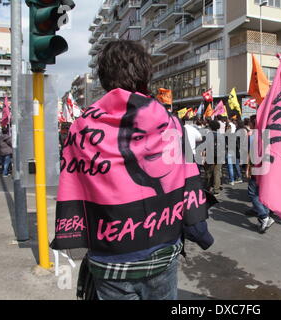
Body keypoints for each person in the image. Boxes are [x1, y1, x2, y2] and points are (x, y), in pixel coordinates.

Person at [52, 40, 214, 300]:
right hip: (163, 252)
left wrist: (75, 239)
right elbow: (189, 181)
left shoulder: (81, 127)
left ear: (104, 78)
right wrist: (198, 230)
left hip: (109, 258)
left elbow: (71, 185)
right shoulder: (170, 122)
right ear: (144, 75)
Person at [246, 115, 275, 233]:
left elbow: (250, 153)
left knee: (253, 193)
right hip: (267, 168)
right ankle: (266, 215)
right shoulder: (268, 134)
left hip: (257, 168)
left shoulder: (254, 136)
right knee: (262, 193)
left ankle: (264, 216)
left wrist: (248, 168)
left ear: (253, 124)